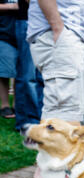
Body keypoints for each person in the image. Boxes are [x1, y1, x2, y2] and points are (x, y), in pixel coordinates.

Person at [27, 0, 84, 178]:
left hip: (75, 34)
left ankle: (65, 163)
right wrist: (58, 27)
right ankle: (47, 168)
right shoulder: (59, 31)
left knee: (74, 106)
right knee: (61, 103)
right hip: (59, 32)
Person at [14, 0, 44, 131]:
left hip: (44, 24)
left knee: (42, 76)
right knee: (28, 76)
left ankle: (40, 119)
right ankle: (27, 122)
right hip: (28, 21)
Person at [0, 0, 18, 119]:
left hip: (26, 31)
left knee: (22, 72)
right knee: (4, 71)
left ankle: (17, 104)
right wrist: (13, 6)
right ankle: (5, 105)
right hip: (4, 33)